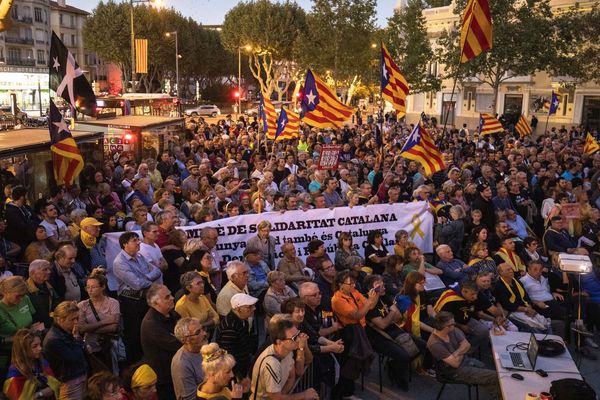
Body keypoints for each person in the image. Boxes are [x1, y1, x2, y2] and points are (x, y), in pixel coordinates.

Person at [113, 231, 163, 364]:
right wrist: (147, 278)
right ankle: (134, 365)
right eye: (134, 240)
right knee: (133, 335)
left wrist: (145, 278)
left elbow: (157, 271)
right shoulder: (119, 262)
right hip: (130, 302)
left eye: (138, 239)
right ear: (125, 244)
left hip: (143, 299)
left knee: (145, 332)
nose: (138, 242)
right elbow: (137, 284)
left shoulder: (140, 256)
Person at [427, 311, 500, 400]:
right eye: (452, 324)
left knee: (491, 373)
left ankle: (497, 396)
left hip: (465, 361)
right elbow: (455, 364)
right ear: (445, 327)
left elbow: (467, 345)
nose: (455, 325)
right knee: (496, 377)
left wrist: (456, 353)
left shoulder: (452, 330)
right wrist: (462, 350)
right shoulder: (435, 344)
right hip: (453, 372)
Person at [331, 270, 379, 399]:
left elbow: (371, 306)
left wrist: (375, 294)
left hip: (360, 330)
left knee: (355, 361)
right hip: (348, 333)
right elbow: (357, 315)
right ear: (341, 285)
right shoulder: (337, 299)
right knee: (349, 363)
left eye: (354, 282)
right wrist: (369, 302)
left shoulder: (354, 292)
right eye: (350, 283)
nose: (353, 285)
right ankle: (344, 393)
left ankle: (349, 390)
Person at [363, 274, 415, 390]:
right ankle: (398, 378)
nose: (384, 287)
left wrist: (390, 316)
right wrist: (391, 313)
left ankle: (393, 365)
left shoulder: (384, 297)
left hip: (392, 329)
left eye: (383, 284)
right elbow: (382, 325)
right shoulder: (366, 304)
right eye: (379, 286)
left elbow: (398, 317)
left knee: (420, 345)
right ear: (371, 289)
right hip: (377, 337)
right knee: (404, 356)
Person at [250, 315, 318, 400]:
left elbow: (291, 377)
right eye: (294, 338)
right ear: (279, 342)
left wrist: (284, 395)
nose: (298, 339)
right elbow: (275, 398)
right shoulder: (271, 364)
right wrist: (303, 395)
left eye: (298, 334)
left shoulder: (287, 351)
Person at [140, 284, 181, 400]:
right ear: (155, 303)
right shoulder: (151, 324)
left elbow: (186, 331)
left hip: (176, 371)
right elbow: (178, 343)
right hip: (165, 377)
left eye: (171, 295)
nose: (172, 298)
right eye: (167, 297)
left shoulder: (172, 313)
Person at [43, 301, 89, 399]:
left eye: (77, 318)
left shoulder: (67, 332)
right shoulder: (54, 339)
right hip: (69, 382)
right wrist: (76, 337)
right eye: (72, 319)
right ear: (59, 320)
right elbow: (74, 357)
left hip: (80, 377)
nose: (76, 322)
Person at [77, 271, 121, 374]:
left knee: (112, 373)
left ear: (103, 287)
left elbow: (114, 327)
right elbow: (81, 329)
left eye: (93, 287)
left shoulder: (113, 303)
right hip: (91, 347)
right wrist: (105, 322)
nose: (90, 290)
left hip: (109, 346)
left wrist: (90, 328)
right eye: (88, 287)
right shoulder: (82, 305)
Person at [3, 329, 61, 399]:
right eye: (35, 346)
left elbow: (55, 384)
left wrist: (53, 388)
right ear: (23, 349)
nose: (40, 348)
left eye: (40, 344)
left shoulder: (43, 363)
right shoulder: (15, 373)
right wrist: (40, 393)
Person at [433, 280, 489, 352]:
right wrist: (460, 326)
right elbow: (443, 320)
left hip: (466, 319)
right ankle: (463, 354)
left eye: (476, 294)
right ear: (464, 291)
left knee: (484, 331)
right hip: (451, 324)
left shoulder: (473, 296)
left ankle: (478, 351)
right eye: (472, 294)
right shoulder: (450, 299)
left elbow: (476, 311)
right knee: (461, 339)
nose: (475, 297)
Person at [493, 263, 549, 333]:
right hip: (514, 311)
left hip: (526, 307)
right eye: (508, 270)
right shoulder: (498, 286)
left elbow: (526, 296)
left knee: (544, 322)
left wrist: (530, 307)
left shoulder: (517, 281)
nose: (511, 271)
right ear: (501, 272)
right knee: (533, 325)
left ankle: (552, 341)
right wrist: (525, 309)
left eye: (511, 269)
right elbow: (507, 304)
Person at [215, 293, 258, 380]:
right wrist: (239, 378)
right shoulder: (229, 329)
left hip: (243, 362)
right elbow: (229, 357)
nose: (254, 308)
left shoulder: (243, 320)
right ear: (238, 309)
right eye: (249, 307)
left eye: (253, 306)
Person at [171, 317, 208, 400]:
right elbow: (190, 398)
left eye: (202, 329)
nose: (204, 333)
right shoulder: (181, 364)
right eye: (198, 332)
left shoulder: (204, 348)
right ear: (185, 340)